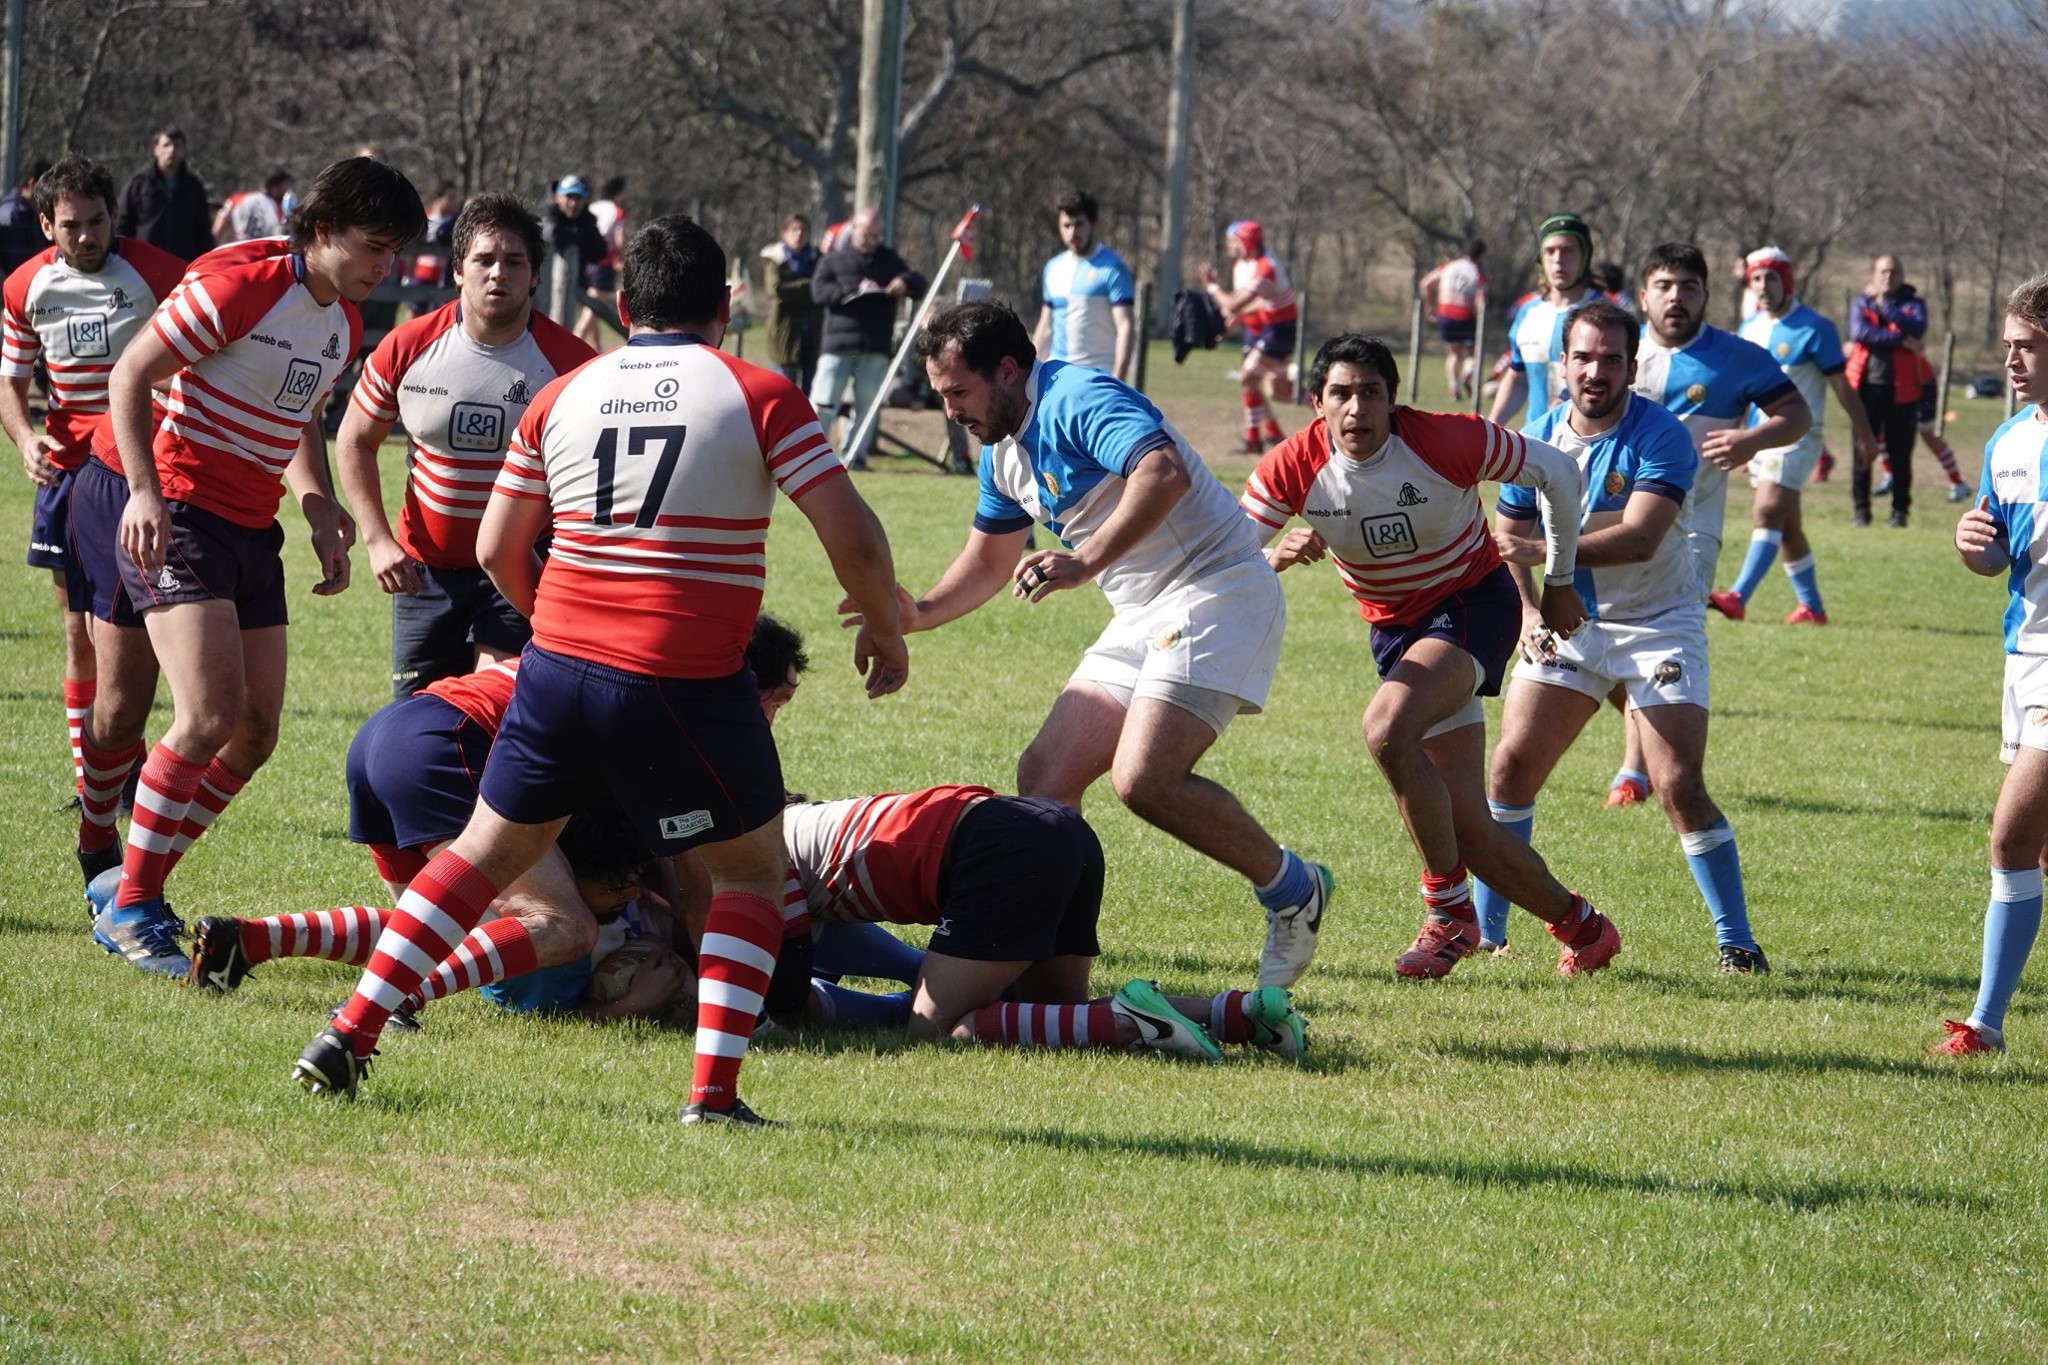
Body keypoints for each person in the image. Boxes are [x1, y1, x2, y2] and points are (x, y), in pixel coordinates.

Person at [298, 214, 909, 1127]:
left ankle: (351, 1026)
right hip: (686, 676)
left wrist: (556, 620)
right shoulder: (758, 392)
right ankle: (714, 1094)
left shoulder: (565, 393)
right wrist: (886, 628)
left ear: (622, 305)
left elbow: (499, 543)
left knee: (480, 855)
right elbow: (853, 533)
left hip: (557, 670)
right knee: (746, 873)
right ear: (727, 304)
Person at [866, 300, 1332, 989]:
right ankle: (1058, 971)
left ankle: (1293, 888)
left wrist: (1083, 563)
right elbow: (991, 560)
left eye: (958, 392)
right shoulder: (1001, 455)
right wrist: (917, 614)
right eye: (940, 396)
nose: (950, 412)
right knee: (1045, 779)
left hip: (1217, 590)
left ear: (1006, 370)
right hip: (1142, 611)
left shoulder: (1077, 396)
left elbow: (1163, 473)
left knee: (1143, 779)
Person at [84, 157, 425, 979]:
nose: (384, 267)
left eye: (395, 253)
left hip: (248, 524)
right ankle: (129, 902)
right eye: (373, 247)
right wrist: (142, 491)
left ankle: (134, 884)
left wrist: (314, 509)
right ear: (319, 230)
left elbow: (297, 417)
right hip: (175, 506)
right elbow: (131, 372)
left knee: (256, 730)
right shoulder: (242, 287)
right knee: (199, 714)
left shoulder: (340, 322)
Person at [1241, 333, 1618, 974]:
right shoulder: (1293, 465)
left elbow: (1556, 469)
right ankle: (1585, 929)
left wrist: (1557, 583)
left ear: (1393, 401)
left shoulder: (1445, 440)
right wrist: (1269, 556)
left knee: (1387, 728)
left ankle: (1449, 915)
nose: (1357, 409)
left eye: (1371, 394)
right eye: (1341, 394)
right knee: (1467, 827)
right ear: (1316, 403)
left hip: (1474, 605)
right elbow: (1224, 555)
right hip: (1396, 632)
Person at [1481, 301, 1769, 974]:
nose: (1596, 371)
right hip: (1568, 624)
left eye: (1612, 359)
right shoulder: (1538, 439)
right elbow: (1505, 546)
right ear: (1562, 363)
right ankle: (1488, 937)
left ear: (1632, 366)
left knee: (1677, 785)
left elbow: (1640, 538)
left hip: (1659, 621)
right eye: (1583, 356)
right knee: (1508, 767)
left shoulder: (1663, 435)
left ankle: (1738, 944)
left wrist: (1538, 547)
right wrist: (1527, 615)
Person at [780, 782, 1308, 1059]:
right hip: (1054, 827)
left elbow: (790, 993)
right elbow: (847, 948)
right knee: (1056, 1013)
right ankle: (1240, 1013)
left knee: (934, 1030)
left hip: (1002, 848)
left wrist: (907, 1006)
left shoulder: (753, 860)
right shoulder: (801, 830)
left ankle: (1131, 1022)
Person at [0, 156, 185, 867]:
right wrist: (25, 437)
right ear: (45, 224)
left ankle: (128, 767)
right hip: (68, 476)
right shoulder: (25, 286)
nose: (86, 236)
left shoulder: (159, 272)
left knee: (147, 629)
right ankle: (95, 786)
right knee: (78, 632)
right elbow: (11, 383)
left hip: (140, 472)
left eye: (98, 221)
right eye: (70, 225)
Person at [336, 191, 594, 699]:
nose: (499, 273)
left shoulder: (573, 365)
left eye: (514, 262)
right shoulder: (407, 346)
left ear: (535, 275)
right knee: (416, 725)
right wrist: (377, 539)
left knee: (490, 710)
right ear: (458, 270)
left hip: (520, 567)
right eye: (484, 260)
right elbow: (353, 442)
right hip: (423, 573)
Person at [1602, 243, 1808, 806]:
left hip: (1693, 531)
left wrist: (1751, 438)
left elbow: (1798, 414)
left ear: (1706, 296)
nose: (1676, 298)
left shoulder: (1736, 358)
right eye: (1664, 286)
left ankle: (1642, 771)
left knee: (1661, 639)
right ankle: (1646, 764)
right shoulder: (1617, 358)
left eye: (1688, 287)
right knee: (1603, 638)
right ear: (1643, 295)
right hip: (1611, 523)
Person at [1934, 273, 2048, 1056]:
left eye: (2028, 346)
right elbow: (2001, 554)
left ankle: (1985, 1023)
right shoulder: (2008, 440)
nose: (2010, 359)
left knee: (2009, 838)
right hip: (2023, 654)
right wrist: (1975, 548)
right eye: (2008, 344)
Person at [1709, 246, 1878, 626]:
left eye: (1771, 277)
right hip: (1759, 436)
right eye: (1756, 278)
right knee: (1787, 525)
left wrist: (1865, 435)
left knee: (1767, 510)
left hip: (1799, 435)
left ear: (1786, 281)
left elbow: (1843, 387)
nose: (1763, 285)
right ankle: (1812, 608)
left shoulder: (1815, 328)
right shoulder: (1751, 327)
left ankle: (1738, 596)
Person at [810, 207, 924, 471]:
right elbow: (818, 291)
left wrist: (904, 281)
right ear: (853, 227)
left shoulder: (889, 260)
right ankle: (814, 456)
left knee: (867, 407)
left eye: (876, 235)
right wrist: (854, 289)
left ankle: (854, 456)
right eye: (866, 233)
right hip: (837, 347)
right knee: (823, 403)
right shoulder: (833, 260)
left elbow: (919, 283)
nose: (871, 240)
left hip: (875, 347)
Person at [1489, 215, 1603, 430]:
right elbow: (1519, 377)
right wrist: (1491, 428)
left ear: (1585, 257)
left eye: (1568, 250)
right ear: (1541, 258)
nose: (1558, 259)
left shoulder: (1606, 314)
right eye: (1550, 251)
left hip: (1591, 445)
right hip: (1537, 445)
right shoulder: (1527, 312)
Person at [1198, 220, 1296, 453]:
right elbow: (1245, 307)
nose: (1228, 245)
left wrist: (1212, 288)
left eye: (1233, 240)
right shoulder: (1241, 266)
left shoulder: (1266, 267)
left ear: (1245, 241)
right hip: (1259, 329)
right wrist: (1227, 326)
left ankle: (1317, 399)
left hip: (1279, 327)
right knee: (1253, 382)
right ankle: (1264, 437)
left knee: (1267, 385)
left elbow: (1234, 304)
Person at [1846, 254, 1929, 527]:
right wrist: (1900, 340)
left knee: (1900, 453)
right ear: (1873, 274)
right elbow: (1861, 333)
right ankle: (1861, 511)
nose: (1887, 277)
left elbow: (1917, 328)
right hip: (1864, 389)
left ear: (1902, 276)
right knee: (1862, 452)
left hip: (1902, 391)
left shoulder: (1914, 304)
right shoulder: (1860, 302)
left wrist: (1886, 308)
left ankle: (1900, 512)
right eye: (1882, 271)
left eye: (1893, 272)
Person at [1032, 189, 1136, 381]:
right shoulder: (1053, 268)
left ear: (1094, 225)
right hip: (1057, 376)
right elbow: (1046, 326)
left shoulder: (1113, 268)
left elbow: (1125, 325)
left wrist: (1118, 377)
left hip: (1097, 376)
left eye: (1079, 224)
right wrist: (1031, 374)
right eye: (1067, 225)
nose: (1072, 232)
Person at [114, 126, 213, 263]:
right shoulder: (138, 184)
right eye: (166, 145)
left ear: (183, 150)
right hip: (144, 265)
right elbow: (122, 225)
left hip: (182, 266)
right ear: (155, 149)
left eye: (177, 145)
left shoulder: (194, 187)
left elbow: (203, 232)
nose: (172, 150)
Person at [1418, 240, 1487, 402]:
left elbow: (1425, 283)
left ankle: (1454, 389)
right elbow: (1481, 299)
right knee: (1472, 353)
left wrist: (1430, 307)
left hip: (1446, 314)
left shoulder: (1448, 267)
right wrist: (1478, 319)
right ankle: (1467, 374)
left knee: (1453, 353)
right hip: (1465, 316)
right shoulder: (1477, 272)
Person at [537, 175, 607, 331]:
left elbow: (600, 250)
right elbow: (553, 233)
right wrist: (582, 237)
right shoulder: (546, 212)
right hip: (541, 288)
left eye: (578, 198)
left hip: (574, 284)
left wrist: (575, 237)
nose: (574, 203)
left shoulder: (586, 218)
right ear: (557, 196)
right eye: (569, 197)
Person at [760, 213, 820, 390]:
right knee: (783, 389)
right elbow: (775, 289)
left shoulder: (818, 259)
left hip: (812, 333)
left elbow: (823, 288)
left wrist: (792, 291)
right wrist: (808, 285)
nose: (799, 234)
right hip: (784, 333)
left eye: (803, 230)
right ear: (784, 233)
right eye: (794, 229)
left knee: (811, 391)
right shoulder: (775, 259)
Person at [579, 177, 629, 347]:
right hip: (604, 263)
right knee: (592, 309)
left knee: (593, 304)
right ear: (619, 192)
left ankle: (596, 348)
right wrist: (621, 256)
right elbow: (619, 238)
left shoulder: (592, 207)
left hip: (585, 262)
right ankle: (576, 337)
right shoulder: (617, 211)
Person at [0, 159, 52, 275]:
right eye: (47, 186)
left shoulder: (33, 211)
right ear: (33, 184)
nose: (51, 192)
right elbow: (14, 266)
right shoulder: (12, 215)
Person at [213, 170, 292, 245]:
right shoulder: (276, 209)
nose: (286, 191)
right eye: (285, 187)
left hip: (235, 250)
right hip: (260, 253)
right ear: (275, 187)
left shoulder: (238, 198)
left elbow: (217, 231)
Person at [409, 182, 459, 289]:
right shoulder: (425, 218)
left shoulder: (455, 223)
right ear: (438, 198)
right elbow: (413, 248)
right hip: (422, 274)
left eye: (455, 198)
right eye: (450, 197)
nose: (454, 202)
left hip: (444, 277)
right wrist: (408, 275)